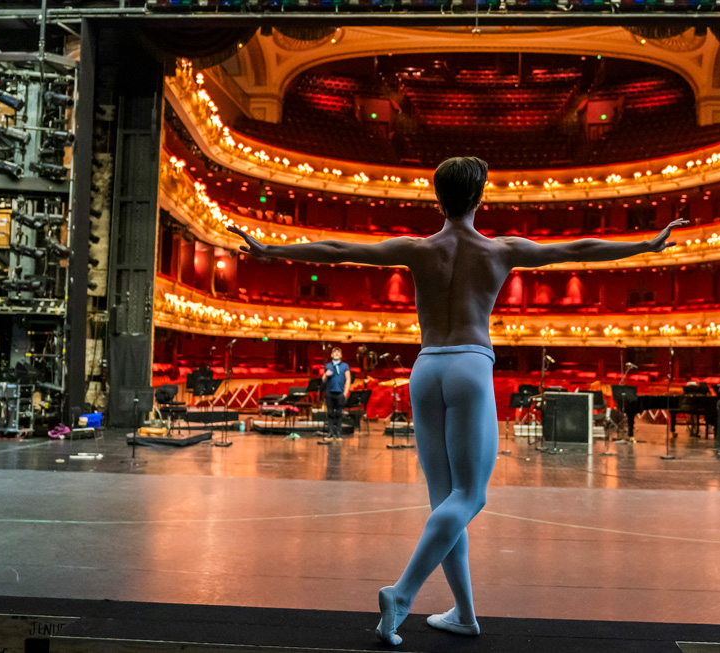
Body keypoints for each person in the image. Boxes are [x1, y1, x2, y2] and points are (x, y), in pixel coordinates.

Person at [228, 156, 687, 643]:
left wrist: (273, 248)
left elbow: (339, 247)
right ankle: (403, 593)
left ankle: (464, 614)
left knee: (444, 499)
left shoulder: (418, 249)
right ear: (480, 197)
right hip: (470, 363)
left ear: (438, 198)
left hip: (426, 368)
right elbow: (578, 249)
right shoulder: (500, 250)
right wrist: (644, 243)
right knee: (470, 496)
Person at [321, 346, 351, 441]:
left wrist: (345, 392)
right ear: (331, 355)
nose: (336, 354)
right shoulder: (328, 366)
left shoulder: (345, 366)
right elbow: (323, 380)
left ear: (341, 355)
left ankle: (338, 434)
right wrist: (326, 374)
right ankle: (330, 433)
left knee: (338, 414)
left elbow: (348, 379)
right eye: (335, 352)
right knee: (330, 413)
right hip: (329, 392)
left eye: (338, 352)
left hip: (340, 393)